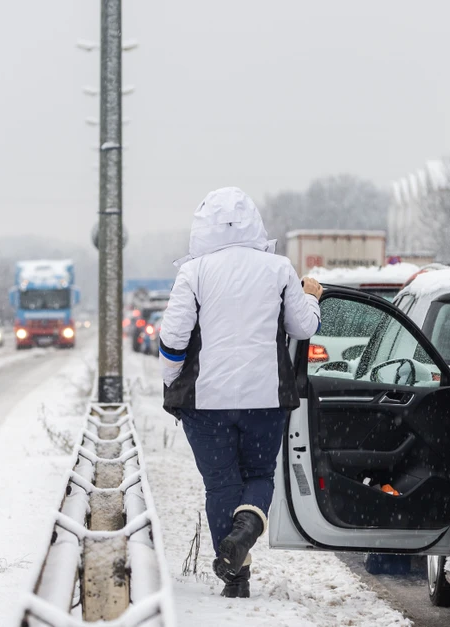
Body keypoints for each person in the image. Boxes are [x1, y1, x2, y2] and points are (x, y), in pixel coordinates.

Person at [158, 187, 322, 598]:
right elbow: (302, 327)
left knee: (220, 485)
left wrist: (170, 378)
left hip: (205, 402)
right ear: (254, 223)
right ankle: (247, 529)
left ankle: (235, 575)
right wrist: (312, 298)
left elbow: (173, 338)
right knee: (258, 476)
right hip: (265, 399)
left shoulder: (193, 273)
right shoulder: (279, 268)